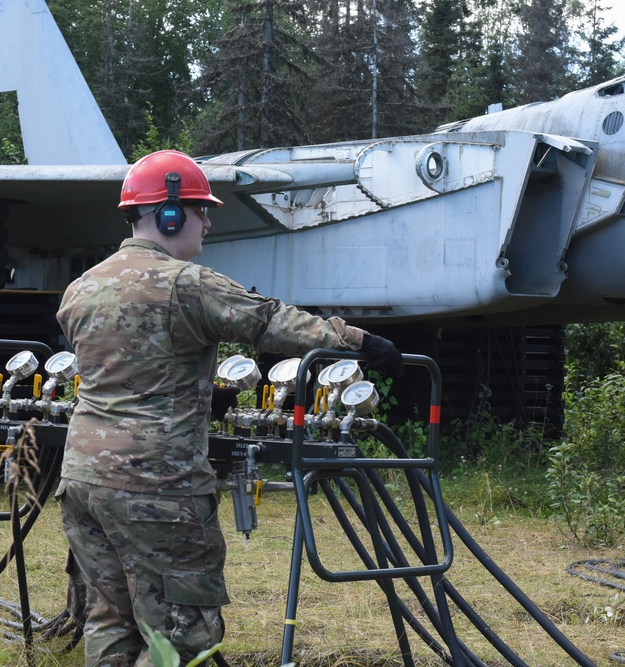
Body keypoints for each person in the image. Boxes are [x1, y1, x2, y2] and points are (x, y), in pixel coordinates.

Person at [55, 149, 403, 667]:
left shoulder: (82, 287)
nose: (208, 222)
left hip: (82, 477)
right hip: (157, 484)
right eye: (200, 210)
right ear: (169, 215)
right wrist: (358, 341)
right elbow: (270, 321)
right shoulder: (187, 283)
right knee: (183, 633)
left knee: (111, 616)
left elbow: (129, 364)